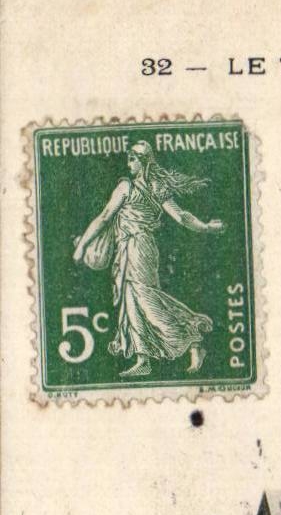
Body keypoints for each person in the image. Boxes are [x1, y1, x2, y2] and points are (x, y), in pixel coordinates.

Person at [72, 141, 224, 378]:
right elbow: (182, 216)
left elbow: (104, 218)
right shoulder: (155, 187)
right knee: (133, 301)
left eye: (132, 159)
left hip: (138, 248)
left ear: (143, 161)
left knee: (144, 299)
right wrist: (205, 227)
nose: (128, 163)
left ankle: (193, 338)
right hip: (136, 249)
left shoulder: (129, 187)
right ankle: (143, 358)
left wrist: (81, 246)